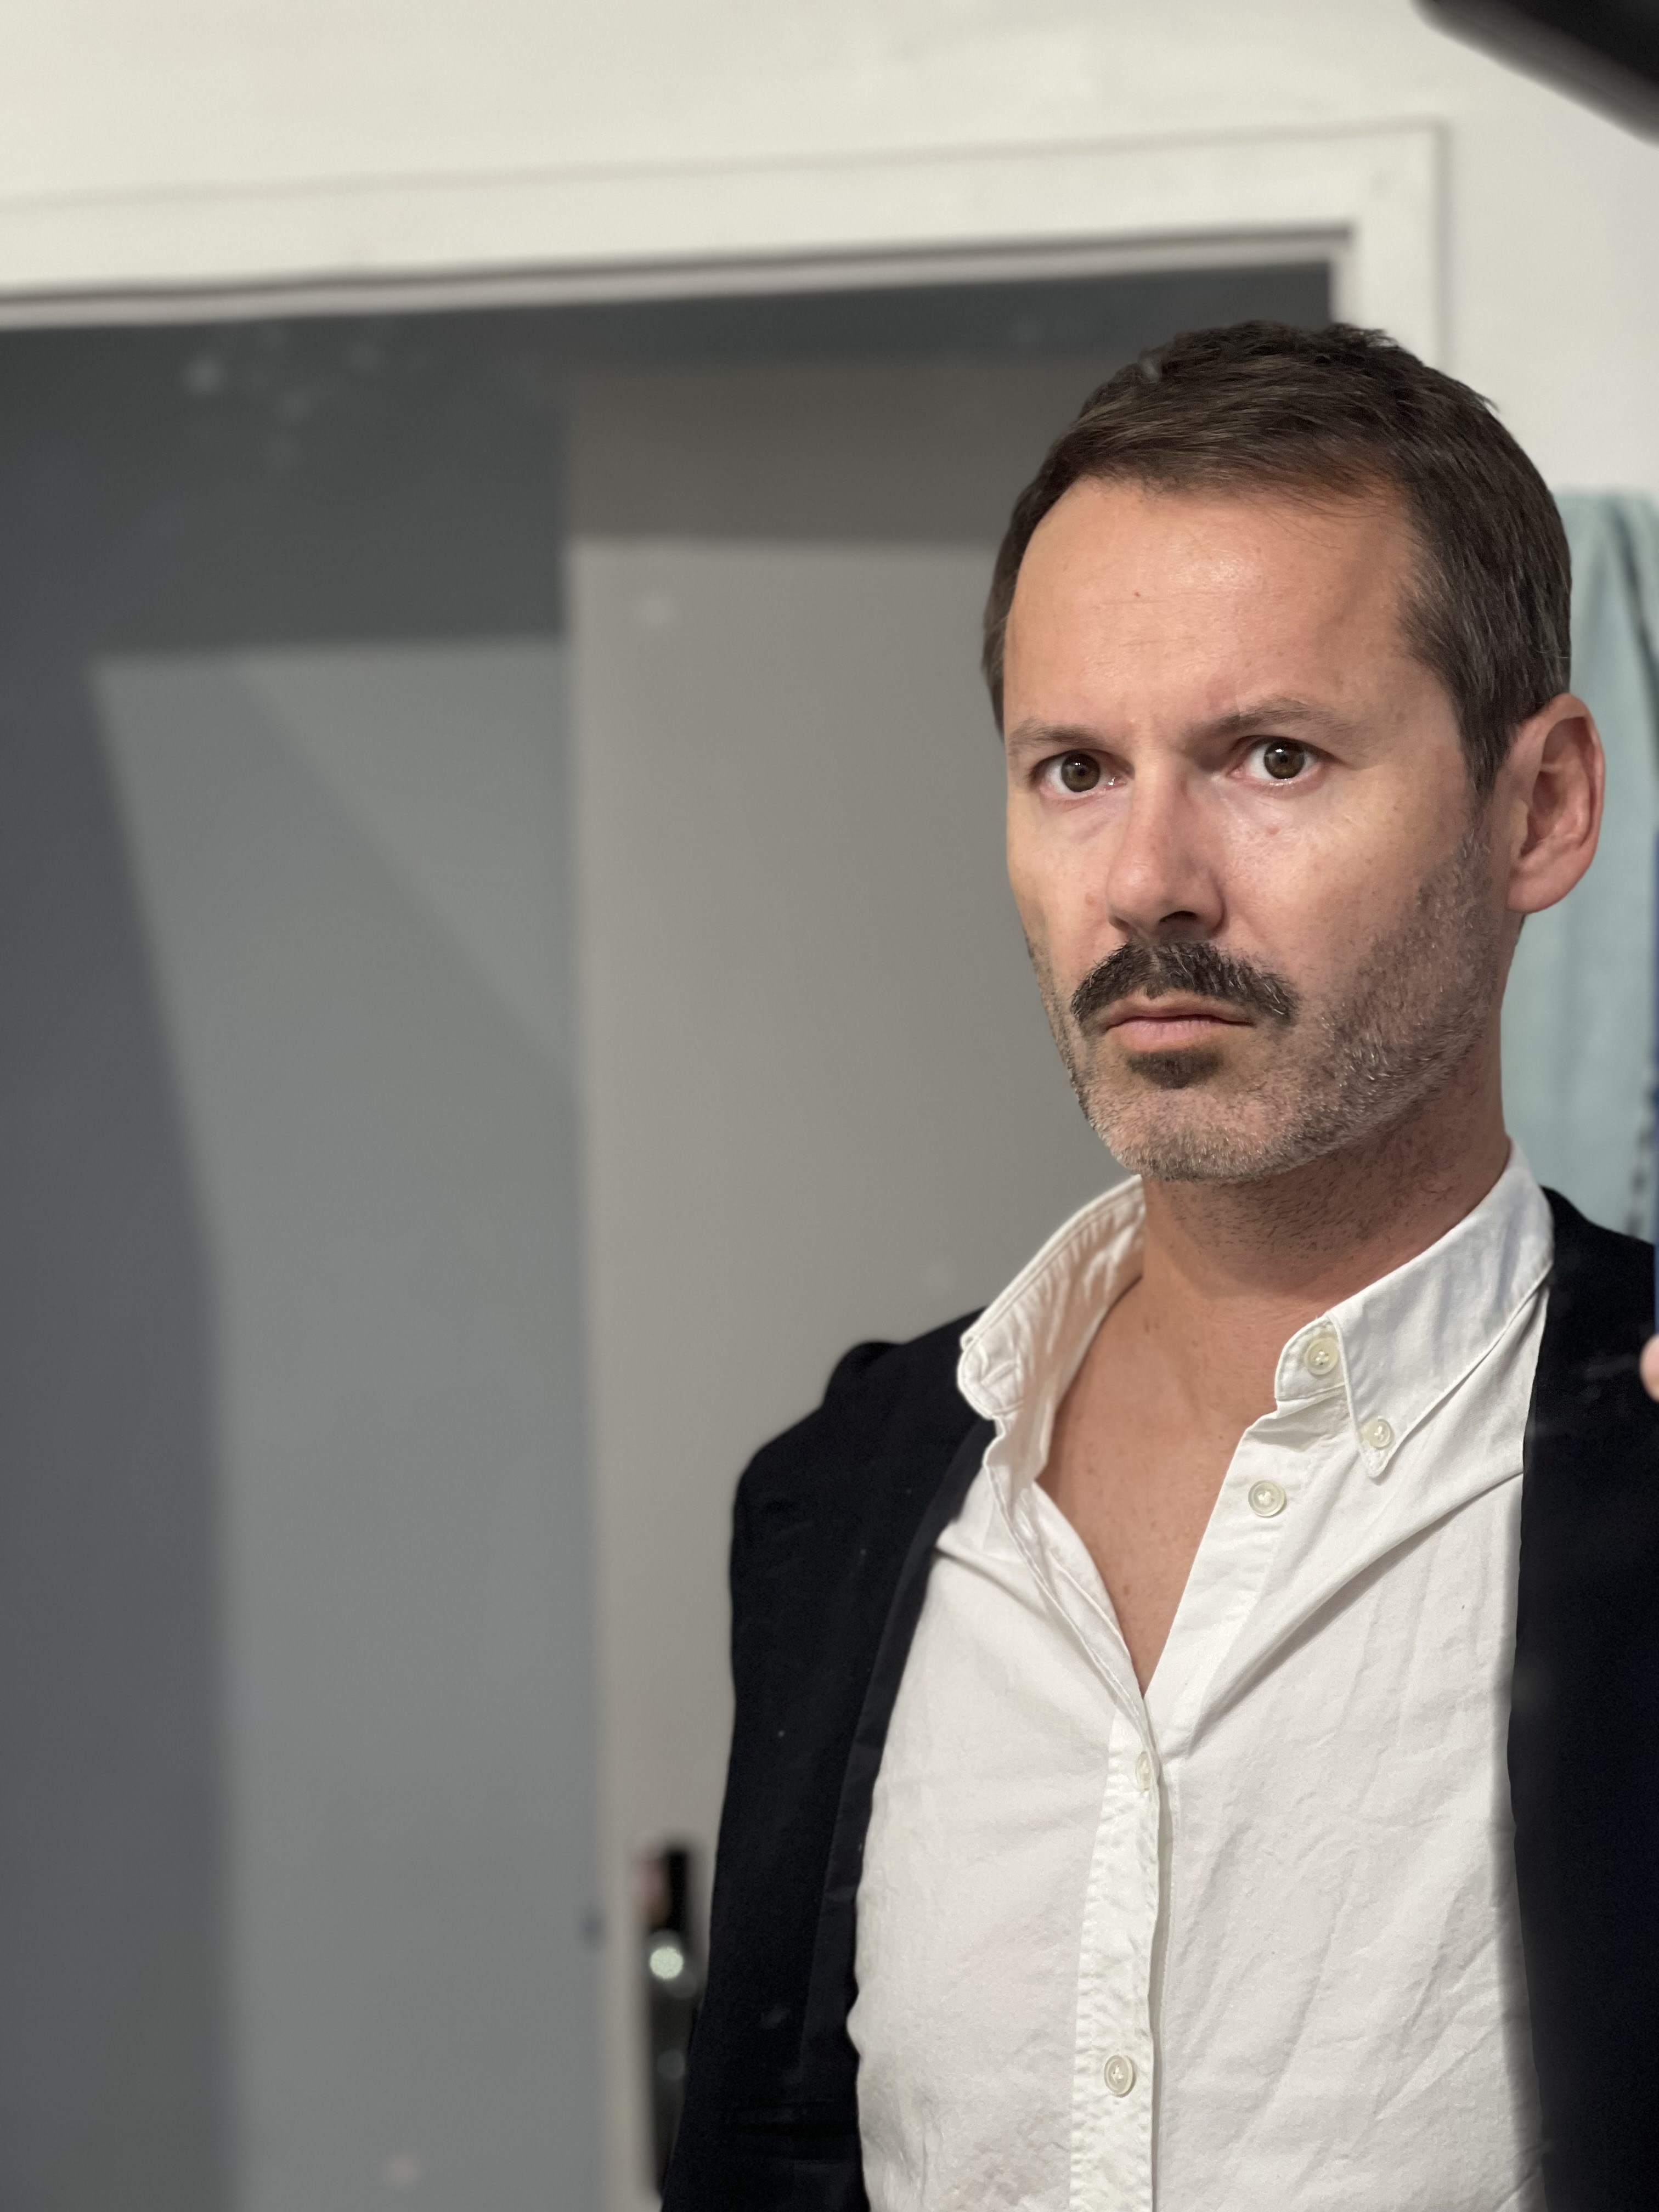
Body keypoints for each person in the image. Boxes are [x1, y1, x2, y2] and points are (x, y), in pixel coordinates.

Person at [662, 323, 1659, 2212]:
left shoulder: (1642, 1459)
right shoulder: (844, 1496)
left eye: (1272, 757)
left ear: (1538, 808)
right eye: (1074, 770)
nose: (1146, 883)